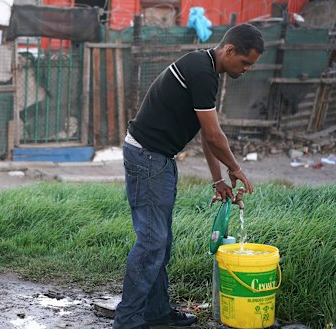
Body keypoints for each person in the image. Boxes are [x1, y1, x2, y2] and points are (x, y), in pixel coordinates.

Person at [113, 23, 263, 329]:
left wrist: (218, 179)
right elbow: (215, 135)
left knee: (160, 242)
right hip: (148, 157)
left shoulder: (207, 71)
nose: (246, 69)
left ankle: (155, 312)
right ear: (229, 50)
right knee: (152, 243)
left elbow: (206, 136)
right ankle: (127, 321)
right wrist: (235, 169)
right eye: (245, 62)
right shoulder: (200, 70)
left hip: (157, 157)